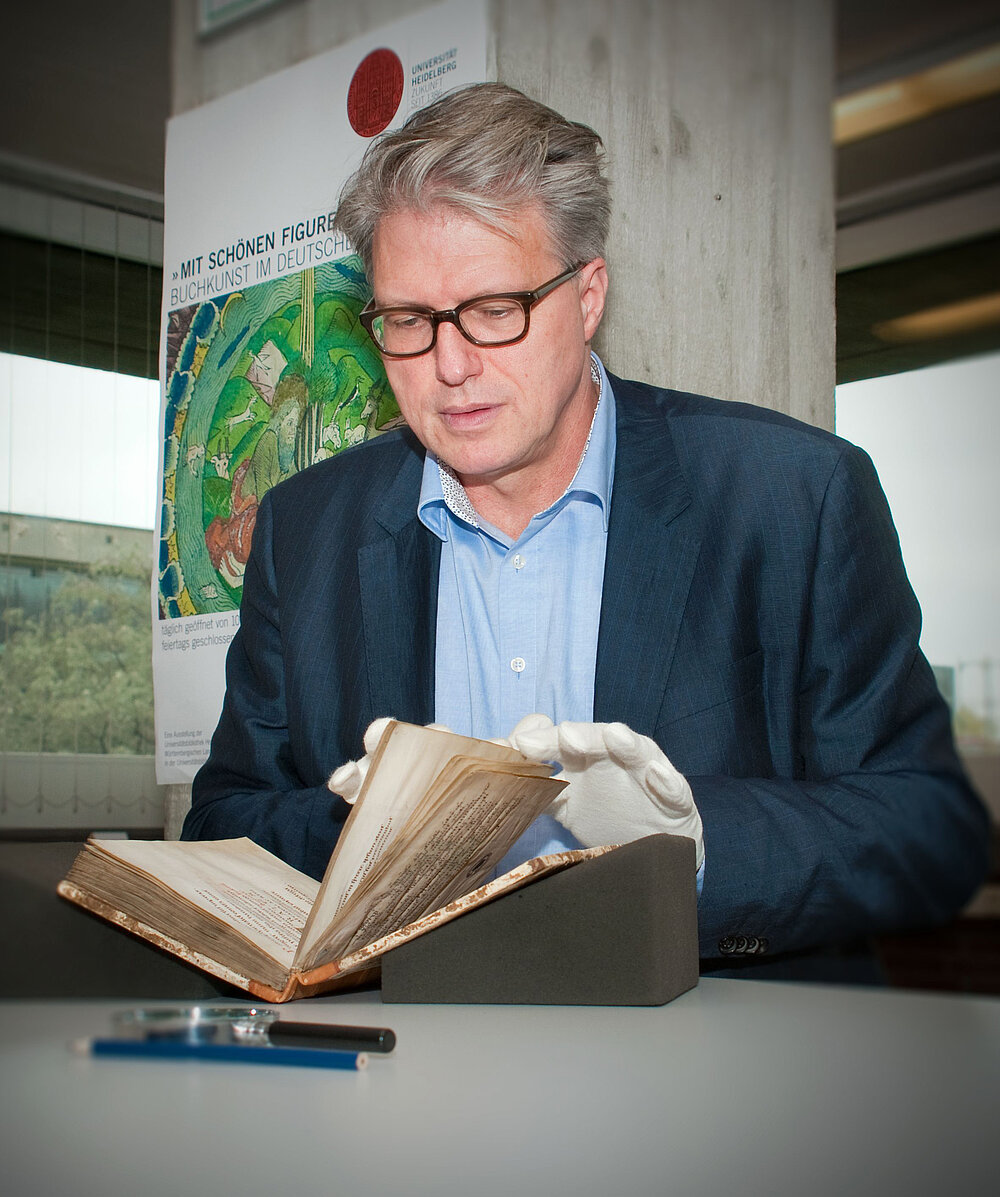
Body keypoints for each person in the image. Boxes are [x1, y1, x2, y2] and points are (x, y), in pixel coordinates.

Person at [183, 83, 989, 980]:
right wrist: (367, 832)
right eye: (408, 321)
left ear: (589, 294)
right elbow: (220, 824)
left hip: (710, 1054)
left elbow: (927, 828)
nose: (450, 365)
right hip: (415, 1050)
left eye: (496, 310)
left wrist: (694, 844)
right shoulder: (305, 530)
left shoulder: (794, 495)